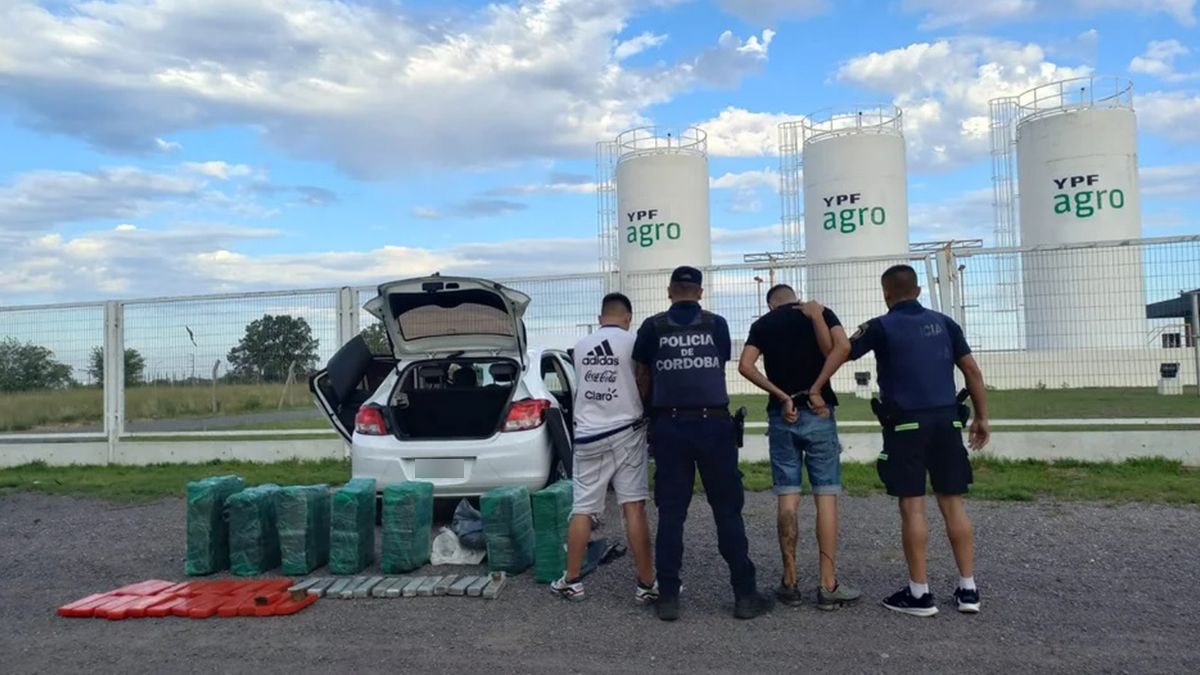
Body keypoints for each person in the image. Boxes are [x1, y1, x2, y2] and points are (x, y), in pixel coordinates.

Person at [807, 264, 991, 617]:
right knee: (953, 503)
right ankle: (968, 589)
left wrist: (818, 318)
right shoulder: (945, 324)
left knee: (912, 505)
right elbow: (972, 371)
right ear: (919, 291)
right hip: (946, 420)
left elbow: (838, 350)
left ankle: (920, 594)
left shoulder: (880, 326)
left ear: (886, 294)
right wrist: (981, 416)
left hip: (905, 425)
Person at [632, 266, 773, 622]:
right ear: (699, 292)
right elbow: (719, 362)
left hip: (669, 425)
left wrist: (651, 413)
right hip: (714, 424)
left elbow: (642, 375)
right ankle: (744, 594)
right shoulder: (716, 324)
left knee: (671, 513)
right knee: (727, 510)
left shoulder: (652, 327)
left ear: (669, 292)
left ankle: (667, 598)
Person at [737, 284, 862, 610]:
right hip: (820, 412)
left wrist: (781, 395)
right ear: (796, 297)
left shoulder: (763, 325)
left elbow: (745, 366)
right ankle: (827, 584)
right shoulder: (818, 311)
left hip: (783, 416)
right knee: (826, 497)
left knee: (788, 496)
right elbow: (842, 347)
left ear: (770, 303)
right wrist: (817, 387)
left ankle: (790, 581)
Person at [552, 293, 658, 604]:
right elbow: (642, 379)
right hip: (628, 431)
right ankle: (647, 583)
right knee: (633, 506)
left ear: (600, 318)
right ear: (628, 318)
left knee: (583, 508)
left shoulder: (581, 346)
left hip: (588, 435)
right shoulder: (634, 342)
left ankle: (571, 581)